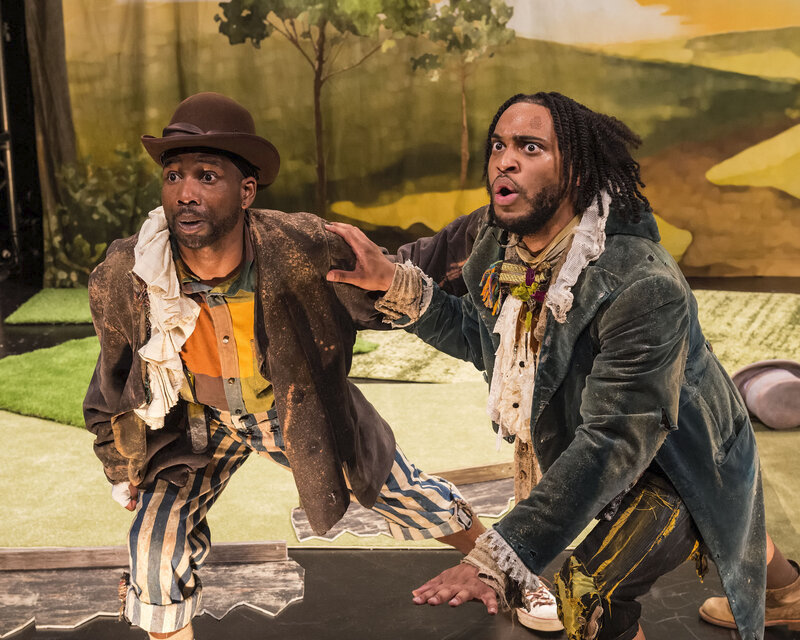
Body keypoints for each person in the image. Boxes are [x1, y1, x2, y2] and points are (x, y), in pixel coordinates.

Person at [326, 91, 800, 639]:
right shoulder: (497, 249)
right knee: (738, 526)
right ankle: (788, 593)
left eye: (530, 147)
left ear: (576, 174)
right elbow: (481, 341)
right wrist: (393, 282)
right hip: (605, 435)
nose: (504, 160)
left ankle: (776, 587)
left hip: (678, 458)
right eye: (499, 145)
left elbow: (616, 443)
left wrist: (497, 559)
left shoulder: (643, 285)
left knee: (596, 588)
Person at [83, 92, 487, 640]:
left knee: (402, 490)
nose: (185, 193)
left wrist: (490, 221)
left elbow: (407, 265)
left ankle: (502, 568)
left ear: (246, 191)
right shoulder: (128, 273)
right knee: (152, 549)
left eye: (206, 176)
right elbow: (113, 376)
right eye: (174, 176)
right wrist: (120, 463)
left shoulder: (299, 248)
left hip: (292, 408)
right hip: (197, 424)